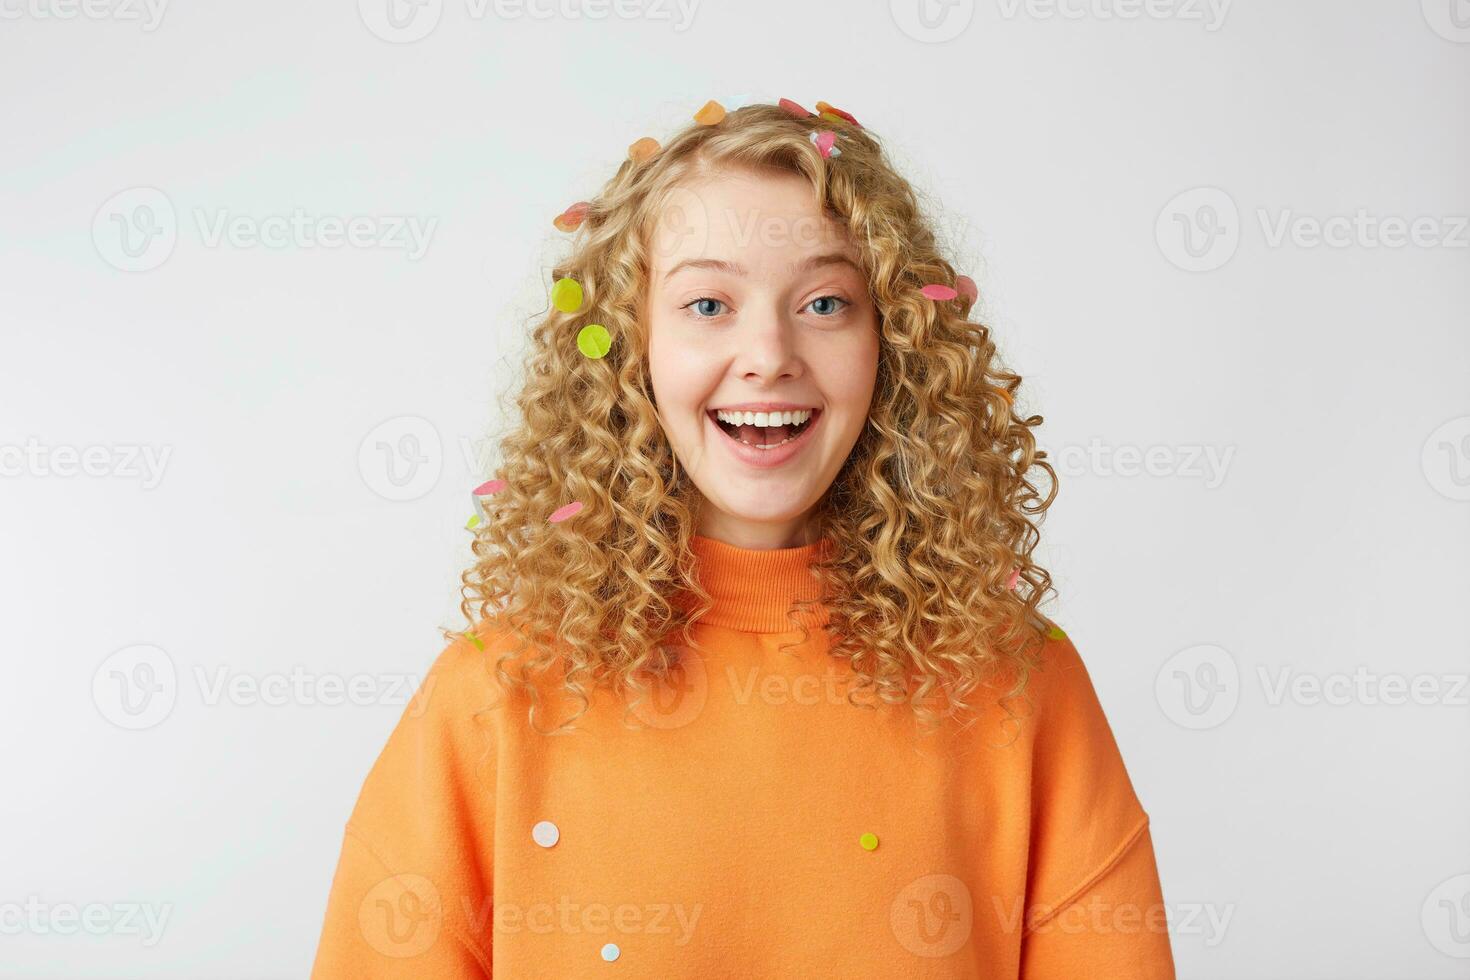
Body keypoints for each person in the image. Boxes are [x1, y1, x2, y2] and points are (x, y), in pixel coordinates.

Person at [309, 99, 1176, 978]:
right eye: (709, 303)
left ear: (896, 348)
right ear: (630, 349)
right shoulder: (493, 698)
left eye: (826, 302)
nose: (768, 352)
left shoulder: (1020, 685)